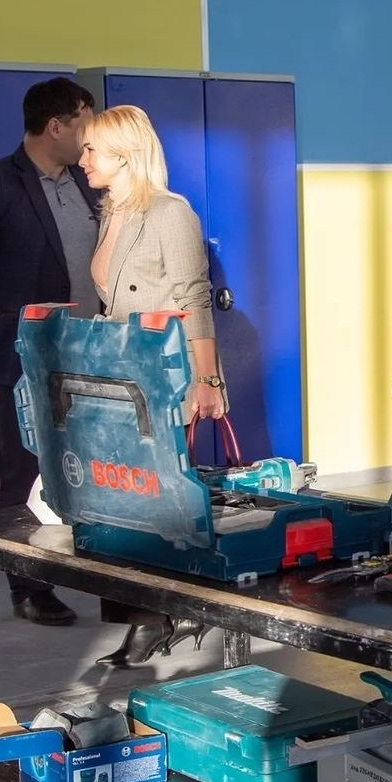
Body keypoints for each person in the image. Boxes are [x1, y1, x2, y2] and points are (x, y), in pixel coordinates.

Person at [0, 77, 101, 626]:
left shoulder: (87, 182)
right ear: (55, 126)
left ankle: (90, 569)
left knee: (92, 466)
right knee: (19, 469)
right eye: (84, 124)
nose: (91, 137)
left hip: (82, 354)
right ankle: (28, 586)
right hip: (13, 356)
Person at [79, 105, 227, 667]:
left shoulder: (169, 212)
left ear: (124, 155)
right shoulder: (111, 212)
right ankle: (145, 617)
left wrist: (207, 380)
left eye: (92, 149)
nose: (83, 158)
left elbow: (194, 298)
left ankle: (169, 611)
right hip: (119, 372)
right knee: (118, 498)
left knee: (153, 498)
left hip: (164, 374)